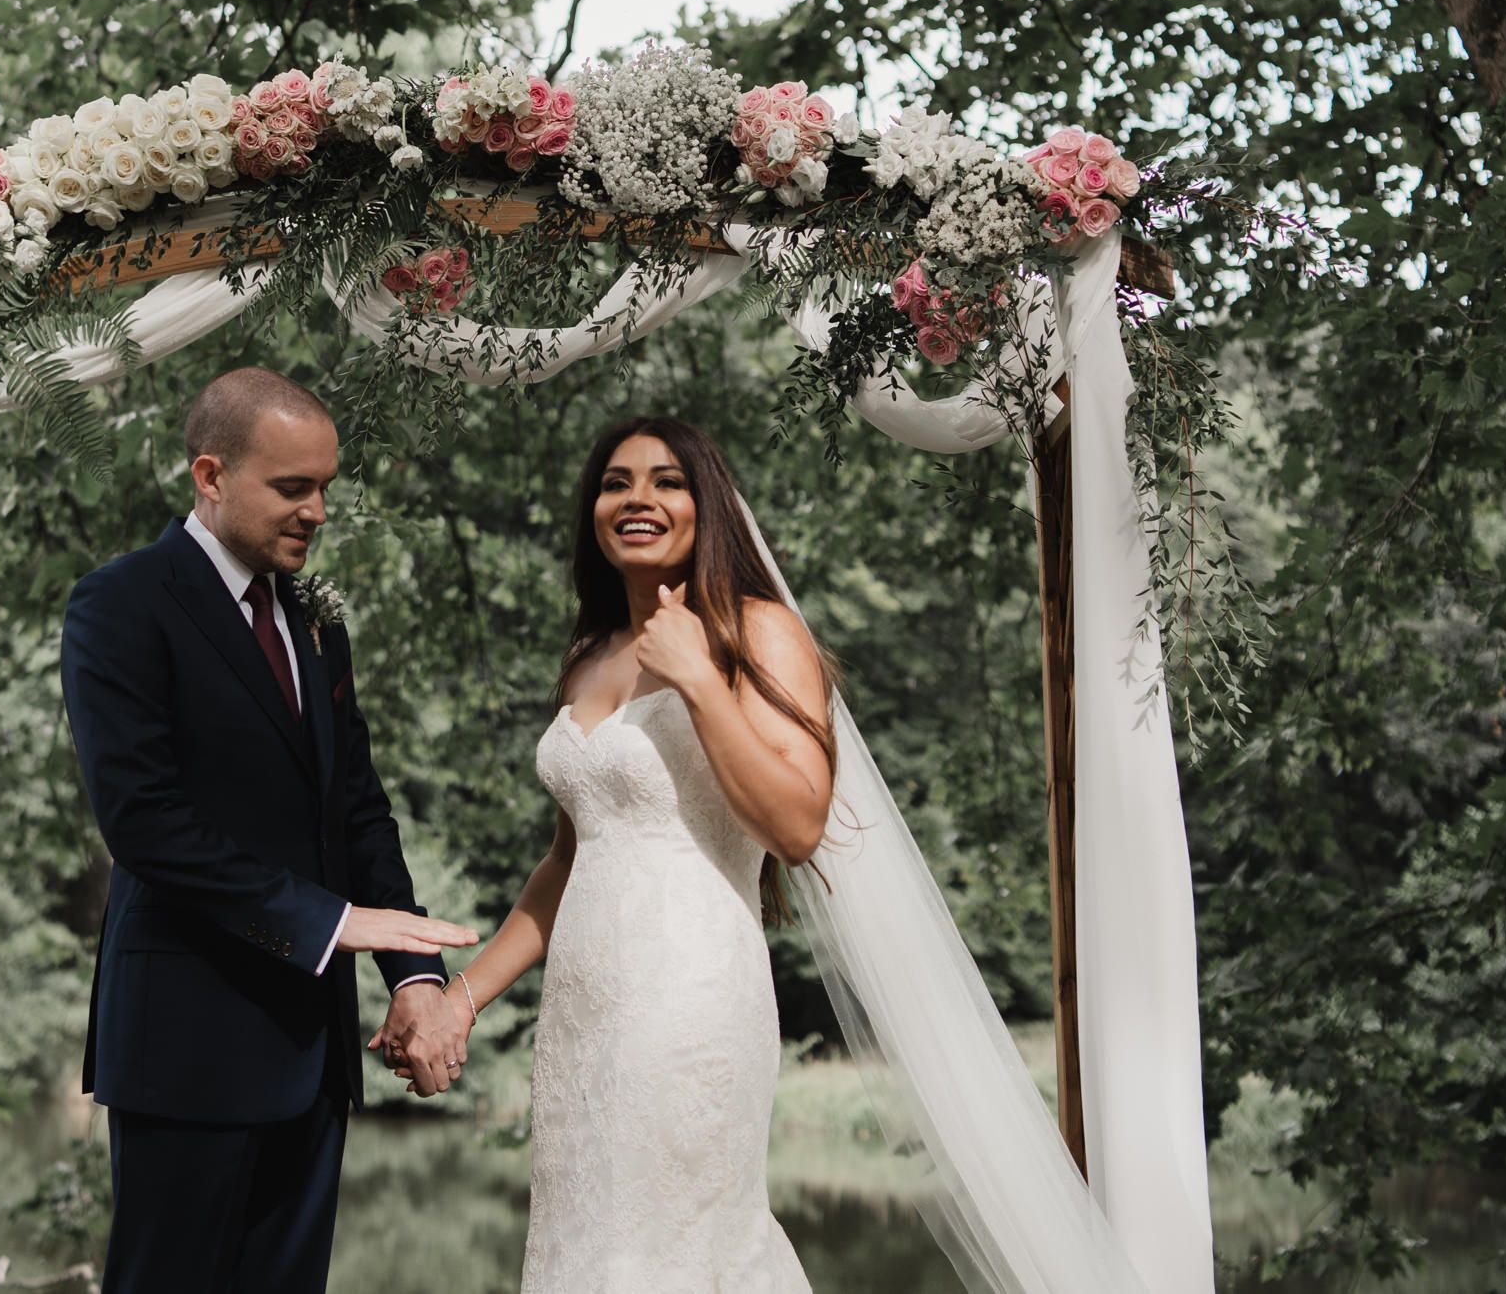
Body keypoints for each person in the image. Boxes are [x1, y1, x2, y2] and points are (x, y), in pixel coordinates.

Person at [404, 415, 1163, 1294]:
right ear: (592, 512)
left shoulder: (757, 632)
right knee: (592, 1244)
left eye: (667, 480)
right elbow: (571, 860)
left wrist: (695, 676)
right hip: (582, 1016)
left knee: (677, 1249)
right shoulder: (591, 656)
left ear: (709, 505)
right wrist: (462, 998)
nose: (638, 498)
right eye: (616, 482)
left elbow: (797, 826)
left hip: (689, 997)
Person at [59, 366, 480, 1294]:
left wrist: (411, 973)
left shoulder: (317, 623)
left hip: (313, 1054)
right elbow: (145, 824)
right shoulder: (118, 605)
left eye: (326, 486)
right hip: (187, 1049)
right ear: (211, 476)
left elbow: (359, 809)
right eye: (293, 487)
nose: (318, 510)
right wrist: (331, 923)